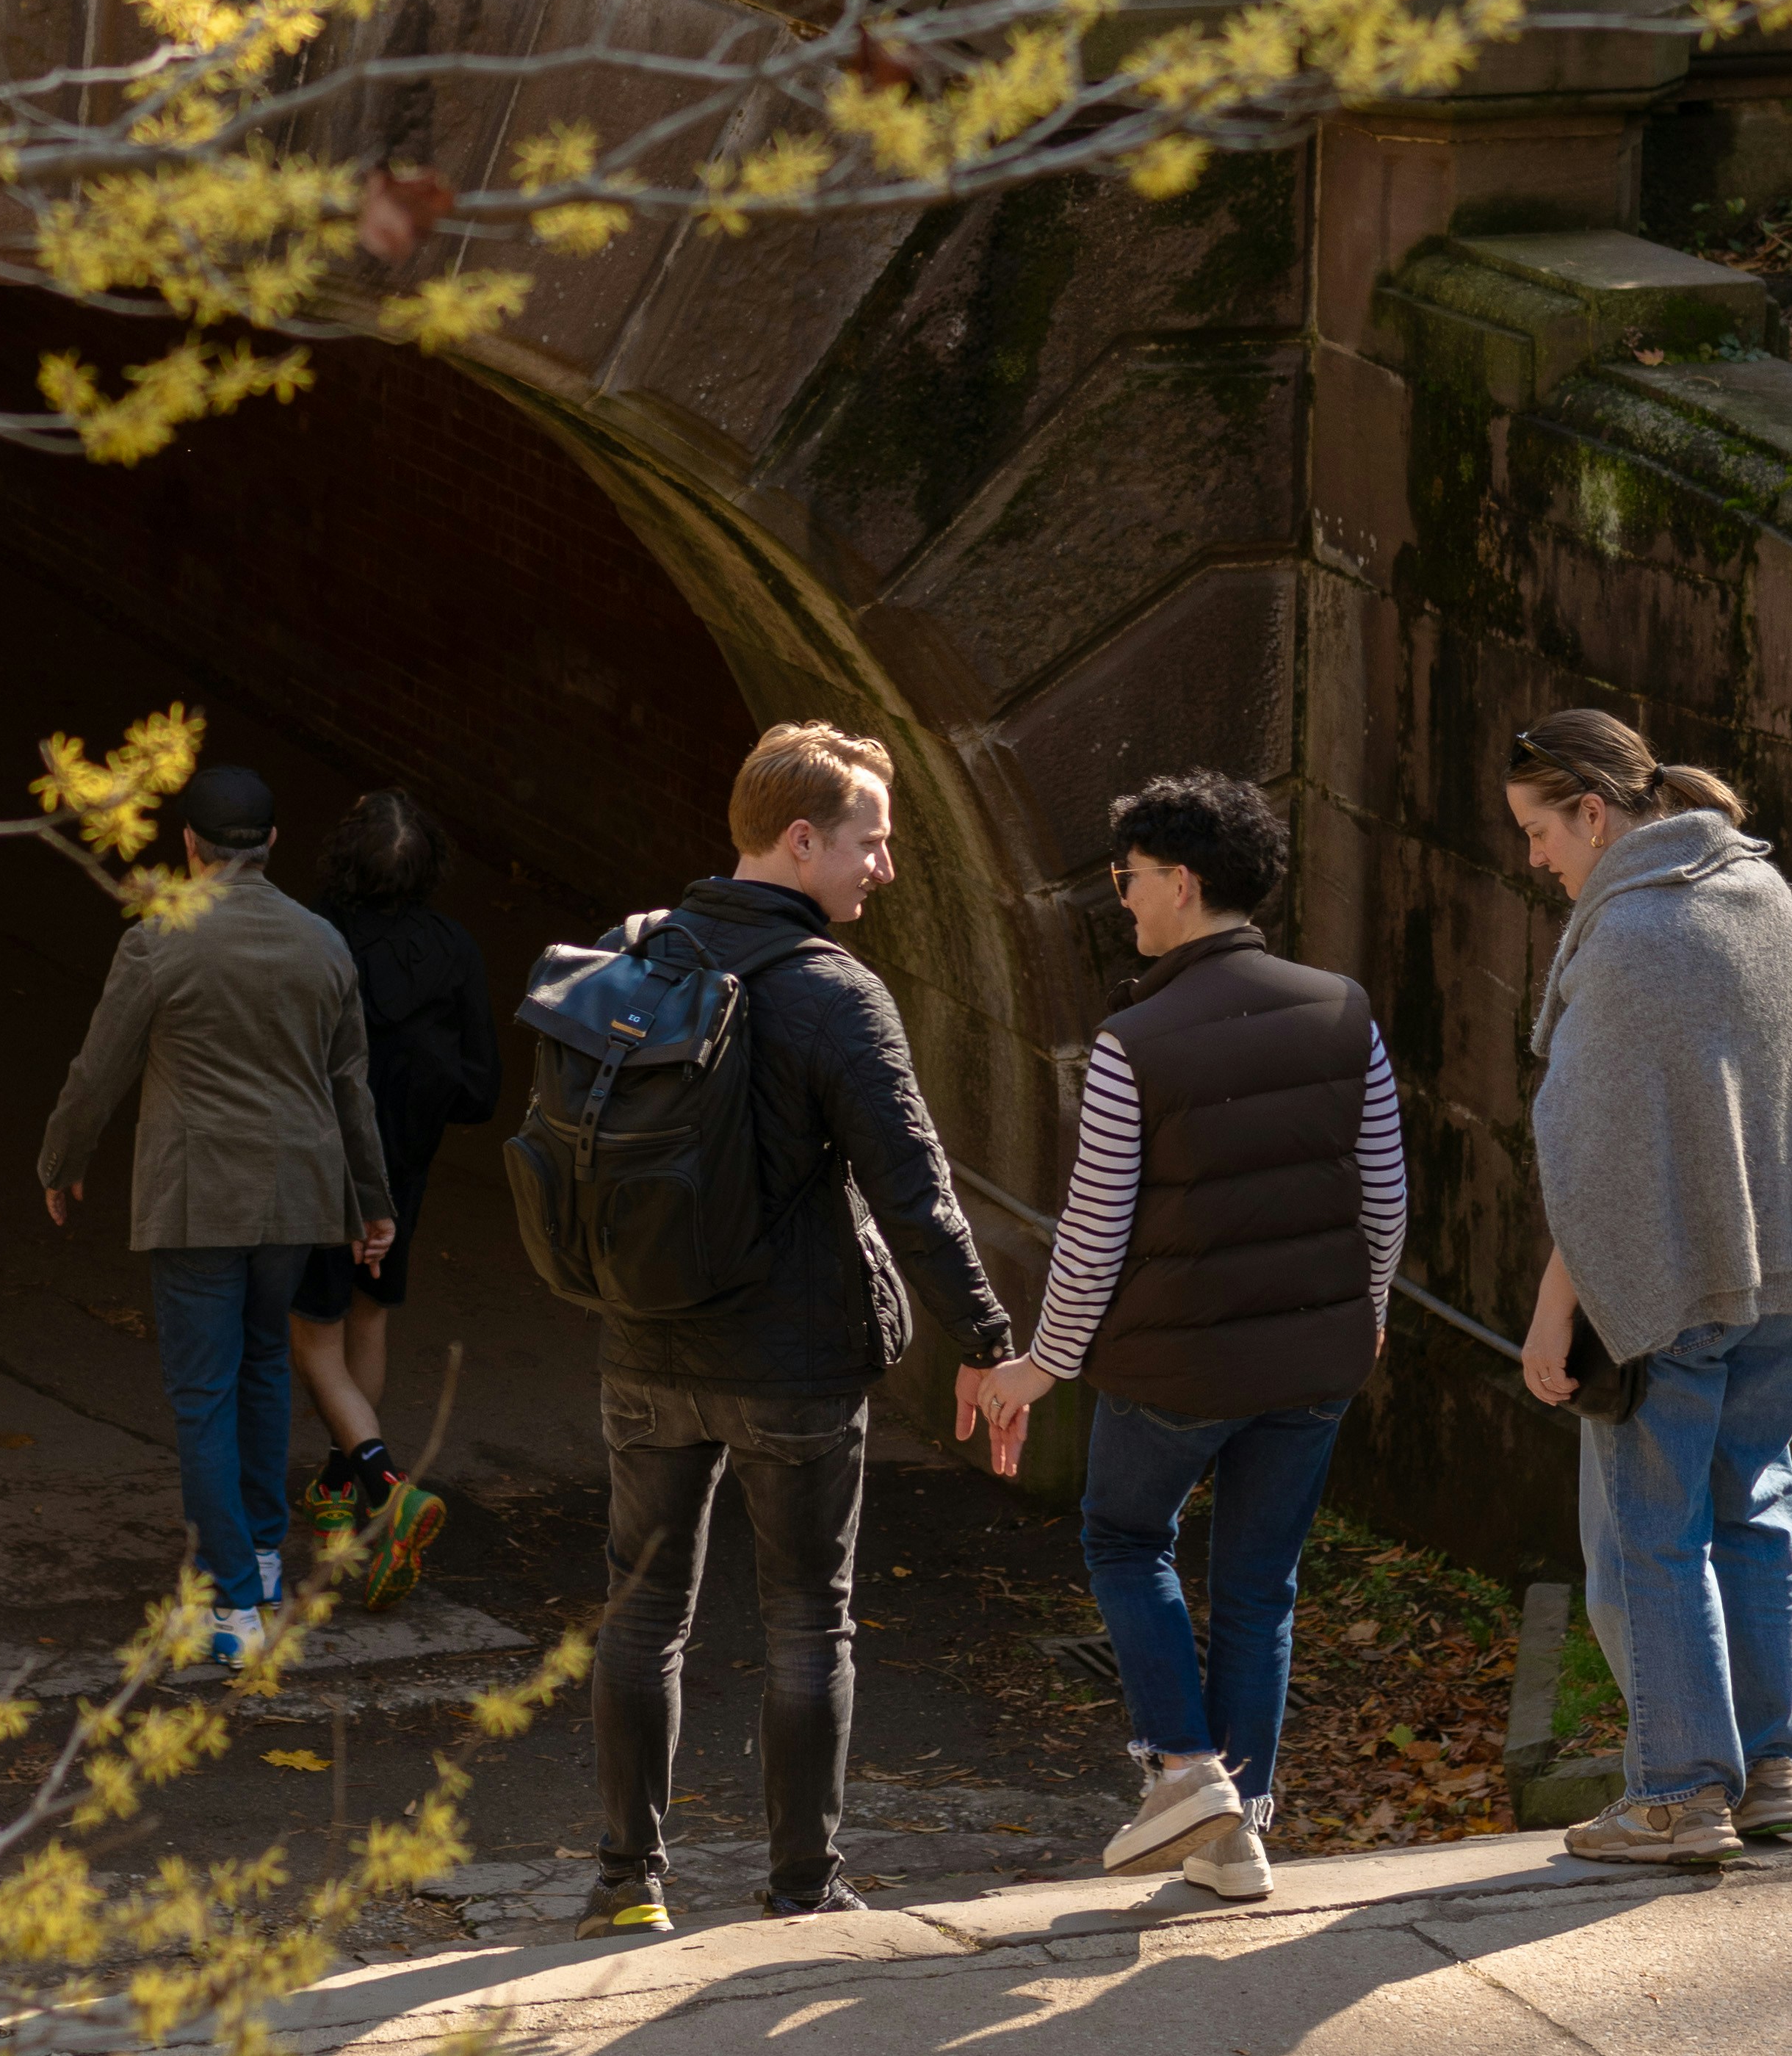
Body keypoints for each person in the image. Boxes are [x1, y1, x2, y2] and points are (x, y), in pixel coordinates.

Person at [582, 718, 1018, 1941]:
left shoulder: (636, 961)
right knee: (803, 1617)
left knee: (642, 1607)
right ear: (803, 838)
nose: (885, 867)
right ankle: (798, 1892)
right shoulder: (835, 994)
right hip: (793, 1366)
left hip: (648, 1345)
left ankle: (626, 1886)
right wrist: (986, 1341)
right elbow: (915, 1192)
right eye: (872, 843)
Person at [977, 771, 1404, 1909]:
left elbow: (1094, 1233)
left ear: (1181, 879)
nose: (1122, 901)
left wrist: (1040, 1365)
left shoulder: (1133, 1042)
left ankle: (1184, 1772)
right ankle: (1237, 1835)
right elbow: (1385, 1196)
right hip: (1314, 1364)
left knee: (1125, 1540)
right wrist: (1363, 1318)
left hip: (1173, 1370)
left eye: (1127, 879)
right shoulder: (1343, 1009)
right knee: (1261, 1586)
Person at [1505, 708, 1792, 1869]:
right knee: (1757, 1516)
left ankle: (1673, 1798)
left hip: (1678, 1278)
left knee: (1656, 1537)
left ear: (1594, 813)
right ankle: (1766, 1773)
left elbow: (1595, 1159)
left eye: (1539, 831)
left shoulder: (1629, 936)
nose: (1535, 857)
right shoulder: (1760, 894)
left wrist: (1555, 1311)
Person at [35, 758, 393, 1673]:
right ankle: (263, 1561)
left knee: (202, 1397)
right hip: (298, 1196)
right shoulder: (323, 944)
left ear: (187, 847)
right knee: (265, 1363)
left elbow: (97, 1070)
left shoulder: (161, 940)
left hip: (196, 1195)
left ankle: (231, 1604)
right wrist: (371, 1202)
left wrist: (60, 1162)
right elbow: (349, 1082)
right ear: (272, 845)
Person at [292, 786, 499, 1610]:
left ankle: (384, 1489)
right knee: (369, 1317)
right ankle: (340, 1484)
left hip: (324, 1169)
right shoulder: (453, 948)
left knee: (312, 1341)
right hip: (404, 1167)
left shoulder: (316, 940)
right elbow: (479, 1086)